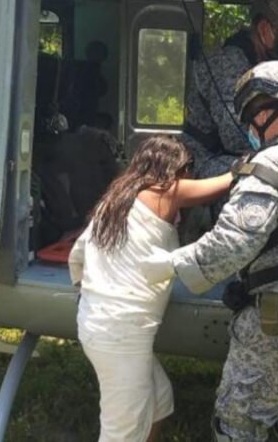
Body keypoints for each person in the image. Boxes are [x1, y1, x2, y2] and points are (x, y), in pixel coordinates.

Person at [141, 62, 278, 442]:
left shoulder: (271, 164)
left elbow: (232, 243)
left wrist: (165, 265)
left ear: (261, 114)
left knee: (238, 425)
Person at [69, 136, 233, 442]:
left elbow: (78, 253)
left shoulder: (117, 198)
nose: (190, 175)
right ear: (175, 168)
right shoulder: (165, 191)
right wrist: (259, 161)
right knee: (121, 431)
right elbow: (225, 183)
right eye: (188, 168)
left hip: (101, 323)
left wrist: (91, 289)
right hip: (121, 331)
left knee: (160, 401)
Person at [181, 0, 278, 180]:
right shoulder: (227, 64)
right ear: (264, 28)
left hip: (241, 155)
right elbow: (235, 136)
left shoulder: (267, 62)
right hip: (206, 160)